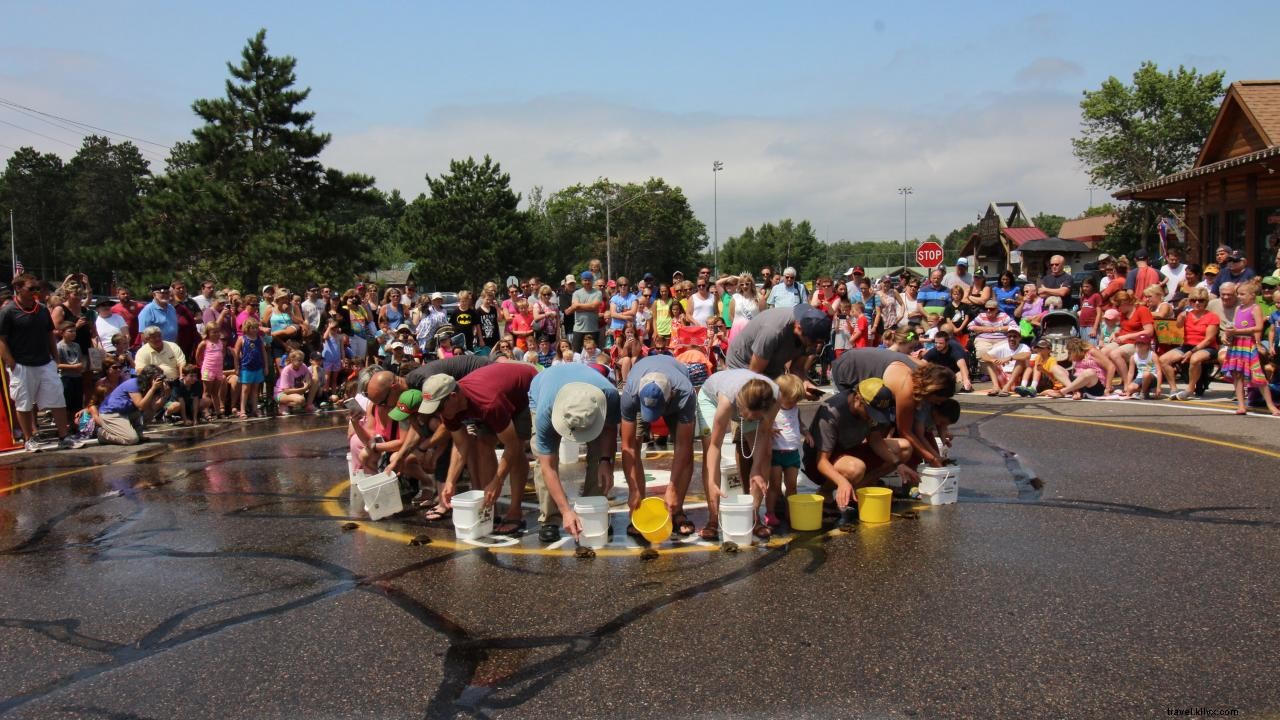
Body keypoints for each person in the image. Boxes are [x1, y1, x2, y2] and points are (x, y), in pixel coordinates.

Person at [420, 362, 539, 535]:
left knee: (517, 449)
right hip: (496, 390)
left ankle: (515, 512)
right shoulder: (450, 409)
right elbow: (461, 444)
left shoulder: (488, 403)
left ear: (453, 396)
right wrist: (451, 481)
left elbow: (511, 445)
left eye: (439, 407)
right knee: (483, 445)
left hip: (524, 389)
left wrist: (497, 481)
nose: (438, 414)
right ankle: (491, 511)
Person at [529, 363, 621, 542]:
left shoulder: (609, 395)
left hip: (587, 396)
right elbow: (549, 467)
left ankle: (592, 512)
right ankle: (550, 519)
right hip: (543, 389)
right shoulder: (545, 412)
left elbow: (610, 428)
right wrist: (566, 511)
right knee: (543, 459)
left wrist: (605, 461)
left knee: (599, 450)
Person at [803, 378, 917, 520]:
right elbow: (821, 462)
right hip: (821, 461)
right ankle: (825, 492)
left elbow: (875, 440)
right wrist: (841, 481)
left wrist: (898, 464)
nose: (872, 417)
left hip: (851, 451)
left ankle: (858, 491)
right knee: (855, 468)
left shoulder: (869, 409)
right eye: (870, 412)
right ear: (857, 398)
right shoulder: (832, 412)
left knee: (904, 448)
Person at [696, 368, 779, 541]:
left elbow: (763, 434)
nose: (749, 420)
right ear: (740, 407)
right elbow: (715, 446)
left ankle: (754, 518)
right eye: (747, 417)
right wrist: (712, 481)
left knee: (764, 457)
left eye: (754, 418)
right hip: (711, 398)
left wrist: (756, 469)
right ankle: (712, 519)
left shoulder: (775, 397)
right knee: (711, 456)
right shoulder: (727, 401)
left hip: (749, 405)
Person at [618, 355, 698, 534]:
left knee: (686, 450)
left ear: (670, 396)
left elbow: (683, 447)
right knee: (635, 443)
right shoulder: (630, 393)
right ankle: (639, 508)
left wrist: (671, 488)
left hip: (676, 399)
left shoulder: (684, 393)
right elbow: (628, 447)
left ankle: (677, 510)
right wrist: (633, 490)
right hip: (639, 394)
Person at [724, 304, 831, 397]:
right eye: (812, 342)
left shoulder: (813, 323)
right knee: (754, 403)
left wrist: (804, 383)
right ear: (798, 328)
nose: (814, 346)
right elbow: (755, 375)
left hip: (772, 365)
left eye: (818, 343)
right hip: (743, 365)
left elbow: (797, 368)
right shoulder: (773, 331)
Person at [1221, 283, 1278, 415]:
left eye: (1242, 294)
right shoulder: (1238, 308)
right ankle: (1241, 405)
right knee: (1237, 375)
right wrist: (1227, 333)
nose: (1239, 297)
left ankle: (1271, 406)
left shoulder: (1255, 308)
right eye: (1238, 294)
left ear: (1252, 295)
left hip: (1248, 344)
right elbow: (1232, 325)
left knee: (1258, 375)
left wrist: (1239, 330)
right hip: (1236, 344)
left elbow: (1258, 327)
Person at [1161, 288, 1219, 401]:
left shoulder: (1212, 317)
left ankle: (1190, 389)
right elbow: (1178, 326)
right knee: (1163, 359)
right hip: (1188, 345)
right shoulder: (1187, 314)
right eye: (1194, 300)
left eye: (1201, 300)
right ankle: (1173, 389)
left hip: (1207, 347)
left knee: (1195, 359)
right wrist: (1181, 317)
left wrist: (1191, 352)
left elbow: (1208, 340)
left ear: (1206, 302)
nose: (1197, 303)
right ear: (1190, 302)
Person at [766, 375, 807, 530]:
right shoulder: (773, 409)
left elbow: (800, 424)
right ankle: (770, 512)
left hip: (792, 452)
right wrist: (769, 429)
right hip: (776, 452)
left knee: (792, 486)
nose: (793, 404)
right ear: (779, 395)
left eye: (796, 401)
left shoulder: (795, 409)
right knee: (775, 486)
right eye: (790, 400)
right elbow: (764, 425)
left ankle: (792, 512)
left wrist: (807, 433)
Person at [96, 365, 168, 446]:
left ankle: (138, 433)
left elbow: (153, 407)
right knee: (131, 440)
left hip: (127, 412)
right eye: (157, 377)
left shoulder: (151, 387)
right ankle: (102, 434)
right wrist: (152, 389)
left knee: (149, 411)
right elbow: (141, 406)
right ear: (148, 376)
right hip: (111, 413)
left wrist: (164, 394)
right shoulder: (134, 383)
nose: (159, 380)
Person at [980, 328, 1031, 397]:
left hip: (1016, 379)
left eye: (1014, 336)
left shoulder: (1024, 347)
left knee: (1020, 360)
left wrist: (1009, 358)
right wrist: (993, 360)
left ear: (1019, 338)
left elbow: (1027, 355)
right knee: (988, 362)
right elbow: (984, 355)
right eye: (1010, 336)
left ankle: (1007, 386)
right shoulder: (1003, 346)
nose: (1012, 338)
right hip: (1003, 376)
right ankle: (996, 386)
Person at [234, 318, 266, 418]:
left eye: (256, 328)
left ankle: (255, 409)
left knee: (255, 389)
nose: (255, 330)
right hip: (246, 367)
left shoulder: (259, 339)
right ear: (247, 328)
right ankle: (242, 410)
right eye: (253, 328)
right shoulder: (242, 339)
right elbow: (236, 353)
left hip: (258, 367)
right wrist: (237, 367)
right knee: (245, 389)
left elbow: (263, 352)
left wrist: (265, 366)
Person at [195, 323, 228, 418]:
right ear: (208, 333)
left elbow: (222, 353)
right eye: (214, 332)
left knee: (215, 392)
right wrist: (201, 364)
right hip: (207, 369)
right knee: (206, 391)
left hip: (218, 369)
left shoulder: (220, 343)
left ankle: (218, 412)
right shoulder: (204, 343)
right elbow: (198, 355)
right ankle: (205, 411)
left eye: (218, 332)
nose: (217, 334)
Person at [55, 322, 86, 418]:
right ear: (62, 333)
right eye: (70, 331)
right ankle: (67, 424)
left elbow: (80, 360)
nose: (73, 333)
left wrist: (81, 365)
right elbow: (57, 364)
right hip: (66, 377)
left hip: (77, 376)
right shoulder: (59, 346)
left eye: (75, 331)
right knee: (67, 402)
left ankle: (76, 424)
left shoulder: (76, 345)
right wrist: (73, 367)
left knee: (78, 402)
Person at [568, 270, 602, 352]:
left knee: (593, 353)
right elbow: (575, 307)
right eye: (585, 280)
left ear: (592, 280)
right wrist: (591, 307)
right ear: (581, 281)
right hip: (578, 329)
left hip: (593, 329)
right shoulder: (576, 293)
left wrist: (579, 306)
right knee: (576, 354)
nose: (587, 282)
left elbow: (595, 306)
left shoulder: (598, 293)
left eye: (589, 280)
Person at [275, 349, 318, 413]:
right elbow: (286, 391)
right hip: (282, 394)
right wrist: (303, 389)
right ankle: (283, 404)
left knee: (314, 381)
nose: (301, 362)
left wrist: (309, 376)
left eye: (302, 360)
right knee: (301, 400)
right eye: (299, 360)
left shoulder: (303, 366)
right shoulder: (286, 371)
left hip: (295, 391)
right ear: (292, 360)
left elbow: (312, 377)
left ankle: (309, 405)